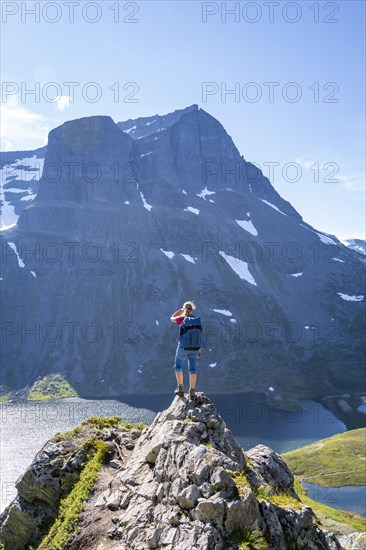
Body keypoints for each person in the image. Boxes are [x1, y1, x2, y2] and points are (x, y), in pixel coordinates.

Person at [170, 301, 202, 399]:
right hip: (195, 348)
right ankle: (192, 392)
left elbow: (171, 318)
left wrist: (179, 311)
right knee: (193, 369)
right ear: (192, 309)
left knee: (178, 366)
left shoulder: (181, 319)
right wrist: (199, 349)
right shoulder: (196, 320)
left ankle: (180, 389)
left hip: (183, 347)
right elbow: (199, 335)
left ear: (184, 309)